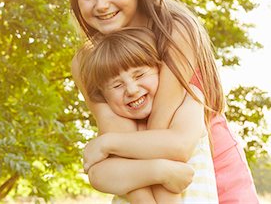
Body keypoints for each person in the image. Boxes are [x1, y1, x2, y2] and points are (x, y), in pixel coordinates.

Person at [68, 0, 259, 203]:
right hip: (142, 177)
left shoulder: (175, 30)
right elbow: (120, 138)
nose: (100, 4)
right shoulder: (87, 61)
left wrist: (109, 148)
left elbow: (165, 133)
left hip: (210, 164)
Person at [78, 27, 218, 203]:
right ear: (103, 96)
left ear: (160, 69)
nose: (131, 90)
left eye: (139, 75)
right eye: (116, 85)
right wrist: (160, 172)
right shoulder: (122, 124)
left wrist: (107, 143)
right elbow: (99, 176)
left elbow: (179, 146)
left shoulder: (189, 98)